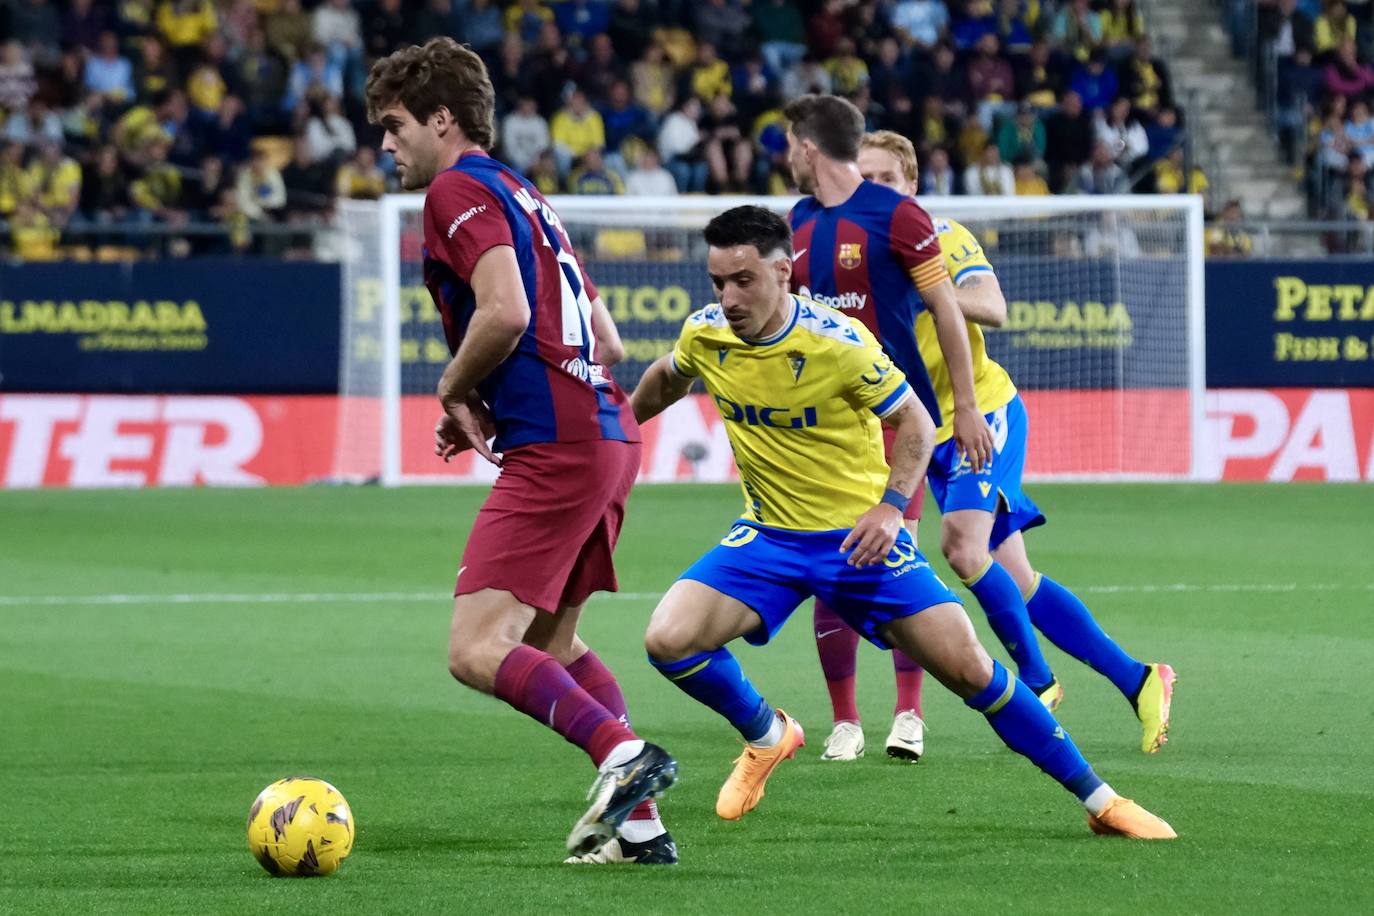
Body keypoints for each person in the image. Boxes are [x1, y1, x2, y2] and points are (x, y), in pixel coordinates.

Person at [630, 204, 1176, 839]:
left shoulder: (838, 342)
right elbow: (668, 377)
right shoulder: (706, 333)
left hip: (857, 541)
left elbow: (915, 421)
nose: (727, 297)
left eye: (742, 280)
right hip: (768, 537)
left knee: (971, 669)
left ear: (784, 272)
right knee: (667, 639)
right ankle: (767, 735)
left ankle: (1101, 801)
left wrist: (892, 507)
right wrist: (612, 432)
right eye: (718, 282)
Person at [364, 36, 675, 865]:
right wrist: (490, 387)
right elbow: (604, 340)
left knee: (475, 649)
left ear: (443, 119)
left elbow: (501, 313)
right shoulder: (524, 192)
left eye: (394, 126)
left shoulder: (458, 189)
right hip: (609, 433)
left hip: (561, 445)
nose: (384, 144)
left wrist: (454, 387)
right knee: (549, 646)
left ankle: (623, 757)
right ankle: (642, 831)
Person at [809, 129, 1174, 761]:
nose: (873, 191)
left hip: (980, 416)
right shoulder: (844, 255)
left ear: (912, 187)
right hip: (918, 433)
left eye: (887, 180)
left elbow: (994, 305)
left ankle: (1037, 684)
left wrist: (926, 286)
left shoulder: (939, 238)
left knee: (960, 546)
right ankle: (1141, 680)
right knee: (1018, 578)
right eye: (862, 179)